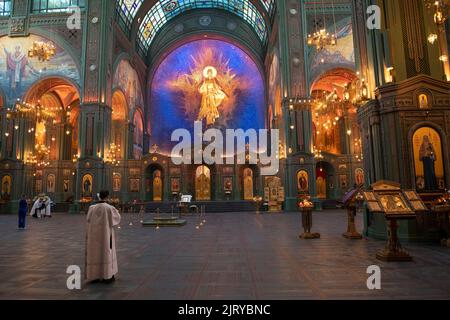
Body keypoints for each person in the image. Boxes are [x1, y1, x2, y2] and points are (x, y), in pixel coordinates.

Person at [85, 190, 121, 284]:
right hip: (105, 235)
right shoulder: (109, 208)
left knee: (95, 253)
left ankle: (94, 276)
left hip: (94, 236)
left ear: (99, 196)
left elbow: (88, 219)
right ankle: (107, 276)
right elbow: (117, 219)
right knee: (106, 253)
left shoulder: (92, 208)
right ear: (107, 197)